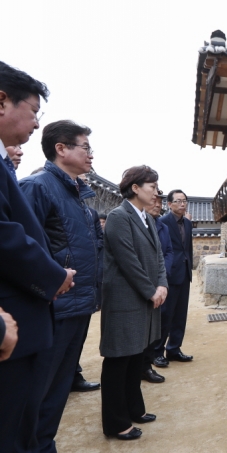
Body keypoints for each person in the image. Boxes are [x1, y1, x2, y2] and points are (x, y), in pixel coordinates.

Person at [0, 60, 76, 452]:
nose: (34, 123)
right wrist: (53, 275)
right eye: (32, 111)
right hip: (17, 318)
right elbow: (8, 234)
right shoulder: (39, 184)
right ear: (2, 101)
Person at [20, 119, 99, 451]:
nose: (91, 154)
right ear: (61, 148)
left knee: (59, 388)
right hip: (54, 307)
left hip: (79, 305)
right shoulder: (37, 187)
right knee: (36, 393)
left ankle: (44, 444)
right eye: (85, 147)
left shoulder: (78, 193)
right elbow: (23, 248)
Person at [99, 165, 167, 441]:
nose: (156, 192)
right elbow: (128, 261)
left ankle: (134, 409)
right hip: (126, 298)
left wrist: (162, 283)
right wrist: (151, 290)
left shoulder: (147, 218)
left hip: (145, 295)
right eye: (152, 186)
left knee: (136, 354)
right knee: (119, 357)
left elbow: (159, 256)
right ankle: (116, 422)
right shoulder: (118, 216)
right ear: (135, 188)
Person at [153, 189, 194, 367]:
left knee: (180, 314)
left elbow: (188, 248)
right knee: (165, 315)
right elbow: (161, 251)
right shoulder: (162, 222)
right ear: (169, 205)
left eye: (184, 200)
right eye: (178, 201)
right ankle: (157, 352)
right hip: (169, 274)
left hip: (184, 273)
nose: (182, 204)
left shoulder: (188, 223)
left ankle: (174, 349)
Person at [71, 206, 104, 393]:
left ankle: (74, 375)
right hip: (61, 278)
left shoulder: (90, 212)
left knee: (78, 336)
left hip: (85, 280)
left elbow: (99, 239)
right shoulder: (37, 190)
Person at [142, 190, 173, 383]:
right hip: (142, 283)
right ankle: (142, 365)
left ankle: (149, 361)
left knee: (158, 323)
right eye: (154, 200)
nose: (157, 204)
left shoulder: (161, 226)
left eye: (160, 201)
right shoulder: (130, 221)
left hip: (159, 281)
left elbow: (167, 252)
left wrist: (163, 276)